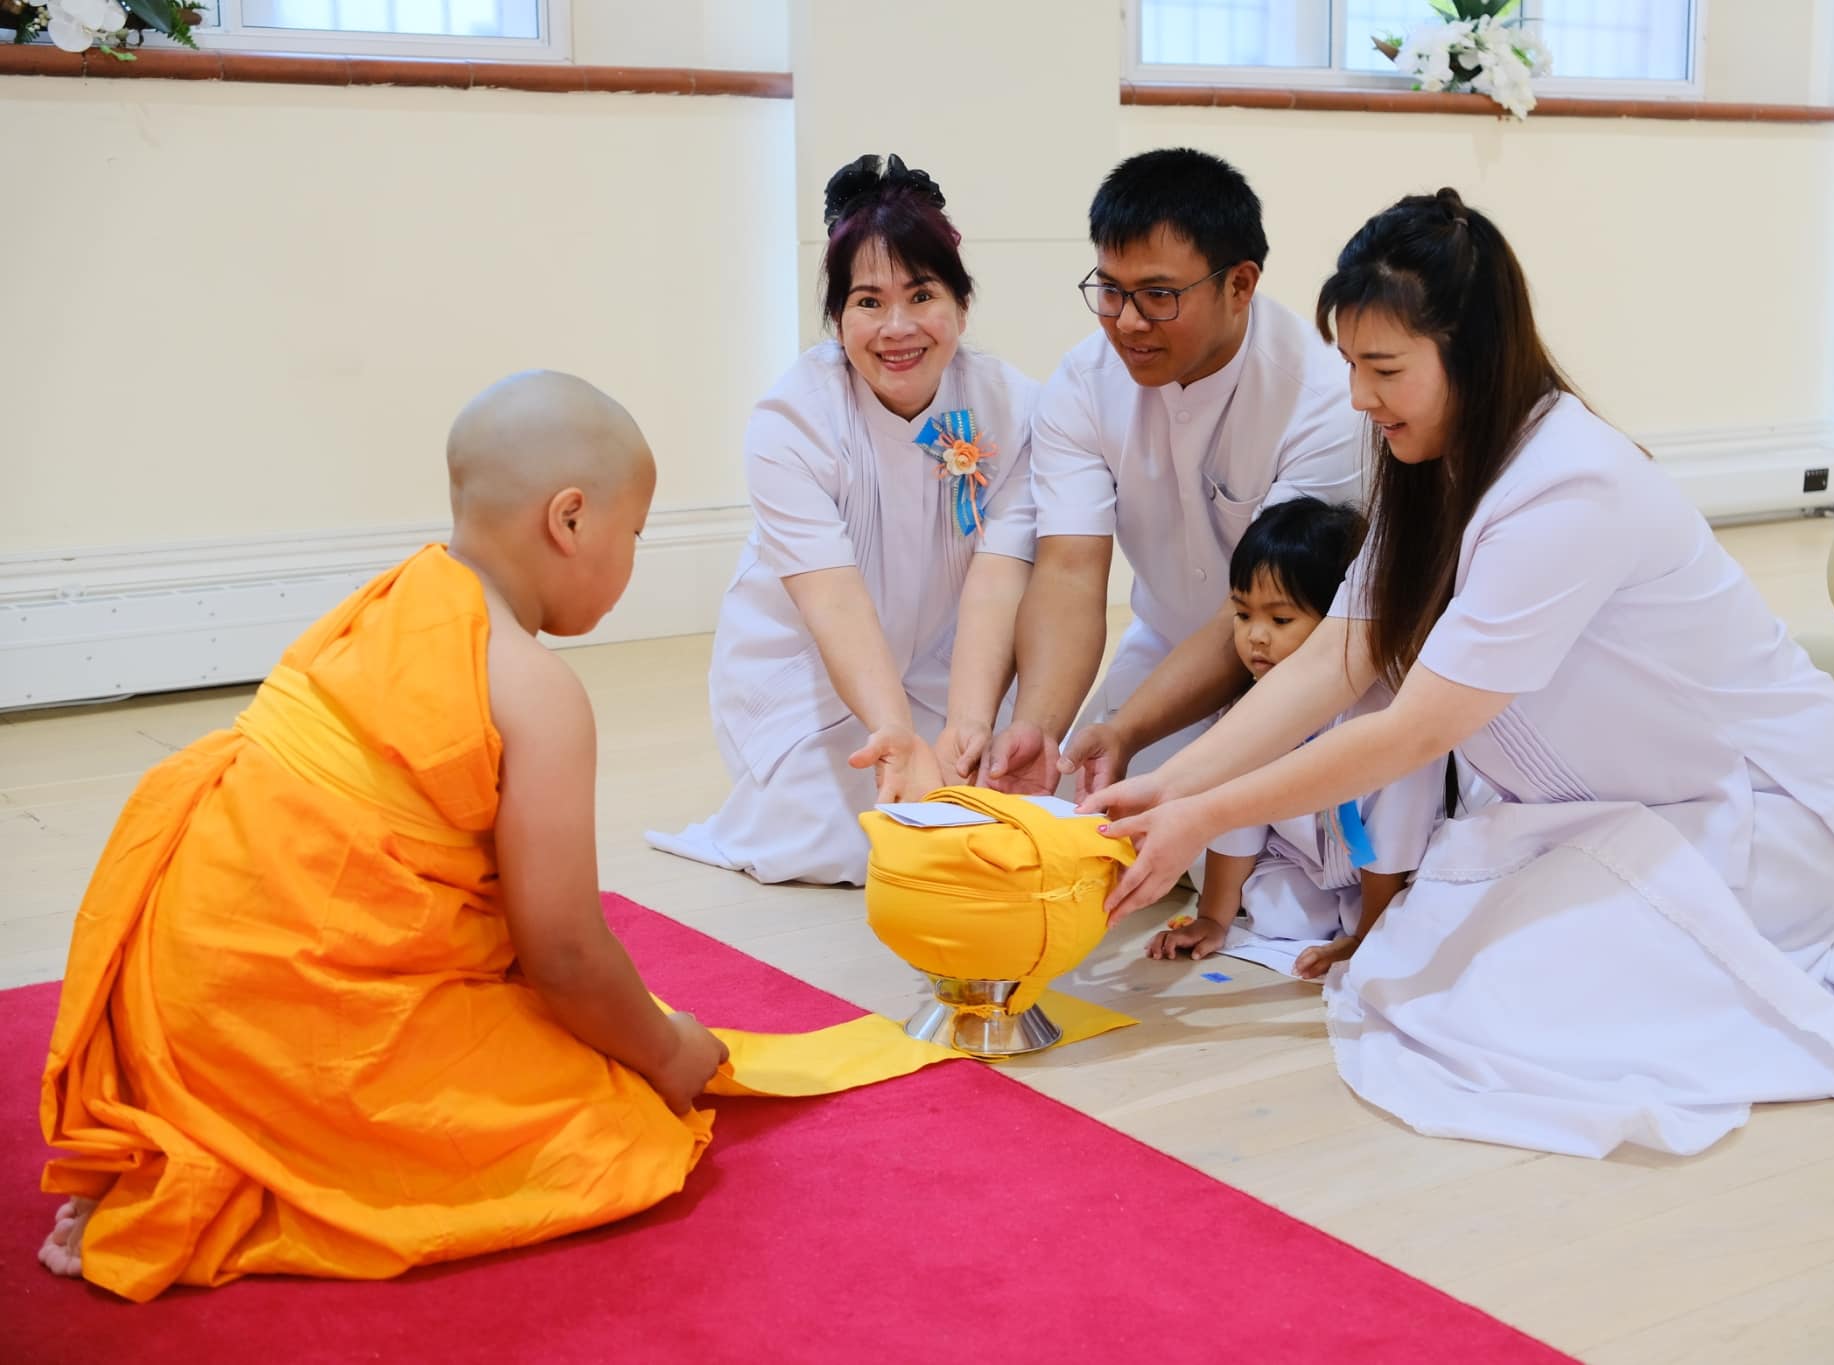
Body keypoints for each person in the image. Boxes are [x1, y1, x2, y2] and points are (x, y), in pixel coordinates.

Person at [1087, 189, 1834, 1159]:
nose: (1359, 397)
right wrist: (1170, 782)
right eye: (1350, 365)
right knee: (1416, 976)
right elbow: (1336, 656)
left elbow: (1414, 730)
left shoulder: (1569, 484)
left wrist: (1203, 813)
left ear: (1471, 357)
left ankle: (1819, 974)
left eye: (1383, 369)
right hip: (1601, 806)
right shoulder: (1427, 465)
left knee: (1498, 1026)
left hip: (1759, 814)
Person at [38, 372, 730, 1300]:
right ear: (570, 521)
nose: (635, 557)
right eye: (636, 533)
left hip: (181, 998)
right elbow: (563, 952)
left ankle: (196, 1133)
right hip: (286, 1026)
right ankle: (239, 1169)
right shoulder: (535, 689)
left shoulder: (383, 604)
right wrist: (665, 1050)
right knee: (611, 1125)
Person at [648, 154, 1038, 885]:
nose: (897, 327)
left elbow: (998, 579)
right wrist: (893, 731)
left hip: (950, 666)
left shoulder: (1012, 407)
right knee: (844, 839)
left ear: (961, 304)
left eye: (921, 294)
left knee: (1012, 806)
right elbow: (830, 595)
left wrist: (969, 720)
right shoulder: (793, 417)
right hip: (807, 675)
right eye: (867, 302)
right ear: (836, 318)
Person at [983, 147, 1361, 802]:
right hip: (1165, 645)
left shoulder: (1323, 395)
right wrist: (1038, 726)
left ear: (1240, 285)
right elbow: (1070, 570)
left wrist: (1129, 727)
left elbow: (1278, 601)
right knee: (1085, 805)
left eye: (1158, 295)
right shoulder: (1082, 383)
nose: (1127, 322)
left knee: (1246, 857)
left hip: (1299, 661)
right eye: (1109, 290)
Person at [1143, 498, 1439, 979]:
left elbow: (1398, 831)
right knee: (1279, 917)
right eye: (1242, 616)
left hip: (1392, 872)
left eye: (1280, 621)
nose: (1255, 637)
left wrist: (1367, 936)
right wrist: (1214, 918)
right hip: (1300, 859)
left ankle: (1370, 926)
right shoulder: (1249, 710)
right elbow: (1233, 816)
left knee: (1418, 924)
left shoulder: (1388, 715)